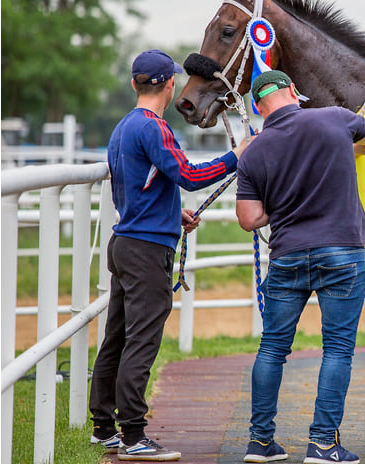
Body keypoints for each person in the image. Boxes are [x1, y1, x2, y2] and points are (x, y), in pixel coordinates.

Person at [89, 49, 248, 461]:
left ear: (134, 84)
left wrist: (172, 213)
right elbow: (191, 176)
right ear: (170, 84)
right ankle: (134, 435)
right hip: (146, 250)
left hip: (126, 243)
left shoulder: (122, 128)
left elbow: (132, 186)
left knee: (117, 337)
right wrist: (237, 157)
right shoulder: (155, 129)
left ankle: (104, 426)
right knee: (141, 339)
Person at [235, 70, 365, 464]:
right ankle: (323, 444)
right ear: (293, 92)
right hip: (342, 251)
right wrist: (348, 150)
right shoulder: (334, 118)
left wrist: (288, 199)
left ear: (258, 106)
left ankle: (260, 442)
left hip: (288, 254)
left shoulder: (253, 150)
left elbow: (249, 219)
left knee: (272, 348)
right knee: (337, 350)